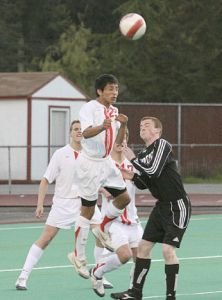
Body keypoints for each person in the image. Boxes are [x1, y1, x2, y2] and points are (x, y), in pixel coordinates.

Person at [110, 117, 191, 300]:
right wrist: (130, 175)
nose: (142, 128)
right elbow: (144, 183)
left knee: (167, 251)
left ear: (157, 131)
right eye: (140, 126)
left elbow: (153, 170)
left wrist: (131, 158)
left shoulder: (162, 144)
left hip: (177, 205)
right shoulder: (145, 153)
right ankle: (135, 293)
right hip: (161, 206)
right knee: (143, 248)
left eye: (147, 125)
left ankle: (171, 296)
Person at [15, 120, 97, 290]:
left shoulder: (91, 154)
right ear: (70, 133)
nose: (79, 132)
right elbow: (45, 180)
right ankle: (22, 277)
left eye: (81, 129)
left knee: (100, 232)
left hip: (85, 203)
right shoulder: (61, 154)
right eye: (75, 129)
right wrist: (40, 205)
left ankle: (100, 276)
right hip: (63, 204)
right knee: (46, 238)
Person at [72, 74, 130, 254]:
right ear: (100, 91)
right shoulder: (89, 108)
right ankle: (78, 255)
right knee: (88, 210)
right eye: (110, 89)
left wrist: (124, 125)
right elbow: (86, 133)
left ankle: (102, 227)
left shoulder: (114, 110)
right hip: (89, 162)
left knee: (124, 198)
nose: (115, 92)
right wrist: (102, 127)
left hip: (106, 162)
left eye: (116, 89)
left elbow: (118, 143)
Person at [90, 131, 143, 297]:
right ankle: (97, 272)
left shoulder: (133, 164)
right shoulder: (105, 164)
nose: (121, 142)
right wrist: (103, 189)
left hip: (133, 221)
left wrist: (136, 161)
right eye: (117, 139)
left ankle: (130, 293)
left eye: (124, 138)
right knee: (125, 255)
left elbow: (145, 182)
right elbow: (89, 181)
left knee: (140, 259)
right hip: (115, 221)